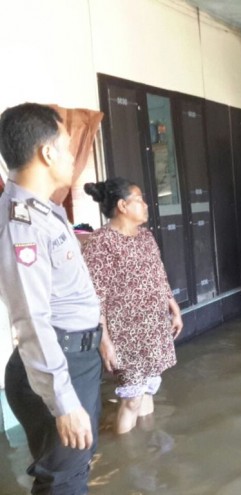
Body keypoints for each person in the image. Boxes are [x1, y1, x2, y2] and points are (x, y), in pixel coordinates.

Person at [0, 102, 102, 494]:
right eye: (65, 143)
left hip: (76, 356)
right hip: (58, 363)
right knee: (63, 483)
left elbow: (70, 291)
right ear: (46, 152)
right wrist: (62, 402)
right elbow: (31, 319)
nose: (70, 153)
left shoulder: (46, 211)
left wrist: (101, 336)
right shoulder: (20, 223)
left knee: (75, 469)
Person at [82, 177, 183, 434]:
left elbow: (159, 275)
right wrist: (105, 341)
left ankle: (146, 451)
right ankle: (126, 453)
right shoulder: (101, 242)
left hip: (154, 328)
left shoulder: (146, 237)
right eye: (139, 200)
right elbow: (95, 298)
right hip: (126, 335)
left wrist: (174, 307)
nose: (146, 205)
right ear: (122, 206)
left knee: (148, 391)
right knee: (131, 399)